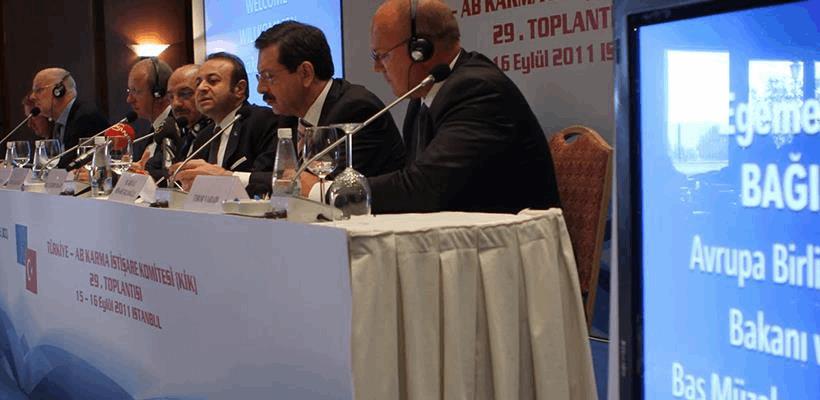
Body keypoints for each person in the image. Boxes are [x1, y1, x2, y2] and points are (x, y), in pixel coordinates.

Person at [364, 0, 561, 213]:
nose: (377, 67)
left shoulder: (477, 90)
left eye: (383, 55)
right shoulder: (421, 98)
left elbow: (425, 189)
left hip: (510, 232)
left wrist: (342, 192)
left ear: (420, 49)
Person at [247, 20, 406, 195]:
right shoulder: (289, 117)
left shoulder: (357, 109)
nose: (260, 88)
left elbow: (327, 189)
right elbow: (265, 174)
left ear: (306, 73)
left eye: (269, 76)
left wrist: (238, 178)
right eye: (260, 77)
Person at [170, 52, 279, 190]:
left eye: (213, 81)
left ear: (239, 89)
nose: (201, 88)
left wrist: (226, 177)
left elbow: (273, 181)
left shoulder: (264, 122)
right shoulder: (204, 137)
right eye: (198, 83)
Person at [144, 64, 215, 183]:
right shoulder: (178, 131)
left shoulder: (214, 131)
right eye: (171, 97)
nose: (176, 103)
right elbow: (154, 168)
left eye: (185, 94)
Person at [29, 68, 109, 168]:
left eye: (38, 90)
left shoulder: (86, 118)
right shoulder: (57, 122)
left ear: (59, 91)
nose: (32, 97)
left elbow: (71, 165)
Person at [126, 57, 174, 161]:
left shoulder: (175, 130)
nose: (129, 99)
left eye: (135, 91)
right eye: (129, 91)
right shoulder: (153, 130)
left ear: (159, 93)